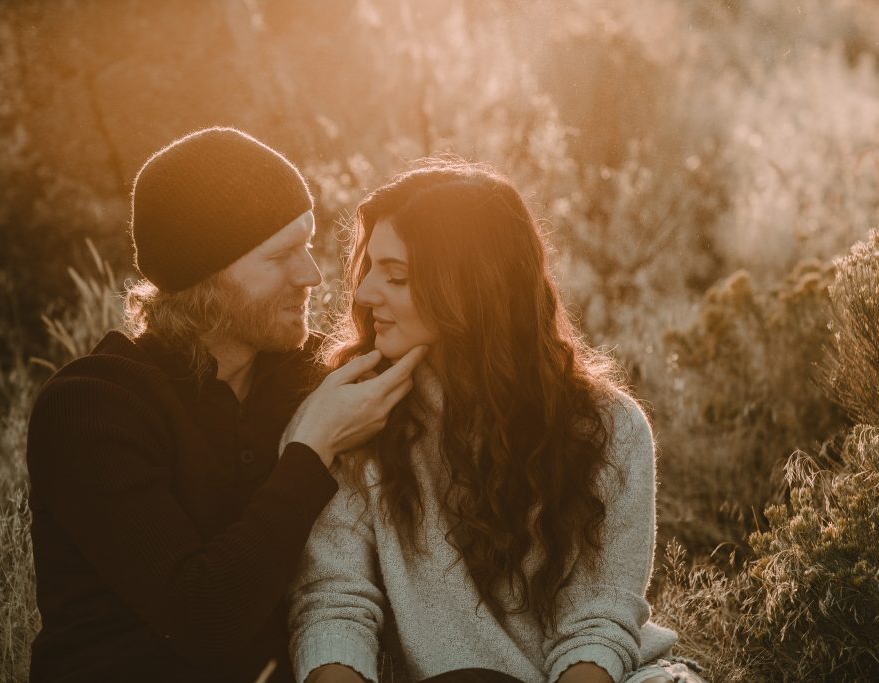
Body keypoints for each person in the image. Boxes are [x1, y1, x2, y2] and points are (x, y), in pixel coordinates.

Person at [26, 127, 427, 682]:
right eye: (280, 256)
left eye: (307, 245)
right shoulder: (91, 408)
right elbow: (202, 619)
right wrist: (312, 448)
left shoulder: (318, 376)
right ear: (204, 277)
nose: (311, 275)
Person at [288, 160, 706, 683]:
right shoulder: (351, 419)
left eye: (396, 276)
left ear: (470, 288)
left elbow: (598, 623)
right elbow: (333, 606)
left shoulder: (608, 428)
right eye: (368, 268)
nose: (366, 294)